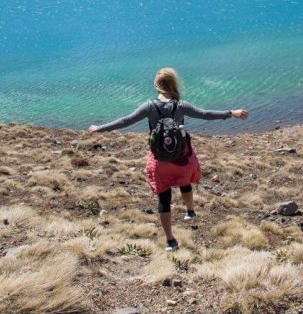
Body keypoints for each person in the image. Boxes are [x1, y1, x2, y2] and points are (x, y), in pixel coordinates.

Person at [88, 67, 248, 251]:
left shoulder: (149, 106)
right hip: (181, 158)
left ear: (156, 86)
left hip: (160, 161)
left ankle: (170, 240)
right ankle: (190, 210)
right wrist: (231, 113)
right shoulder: (180, 106)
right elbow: (205, 114)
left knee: (164, 199)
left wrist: (99, 128)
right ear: (174, 84)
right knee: (184, 182)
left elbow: (125, 121)